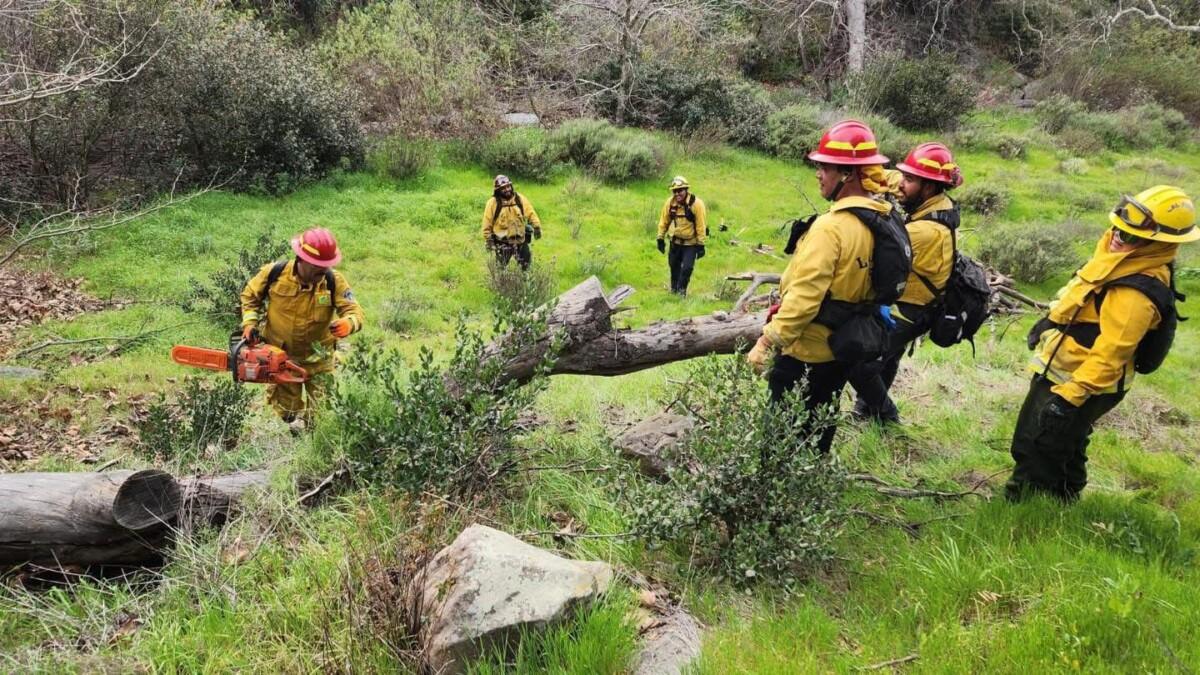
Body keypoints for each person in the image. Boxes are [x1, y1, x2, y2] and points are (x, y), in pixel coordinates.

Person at [1006, 185, 1197, 502]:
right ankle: (1066, 496)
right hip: (1067, 365)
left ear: (1159, 242)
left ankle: (1027, 503)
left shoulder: (1135, 294)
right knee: (1069, 437)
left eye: (1130, 236)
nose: (1118, 237)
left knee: (1038, 441)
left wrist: (1068, 399)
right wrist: (1053, 319)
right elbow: (1083, 287)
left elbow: (1110, 356)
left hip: (1084, 380)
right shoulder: (1117, 256)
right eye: (1118, 228)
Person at [746, 120, 899, 454]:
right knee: (819, 429)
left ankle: (774, 499)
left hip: (806, 351)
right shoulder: (880, 219)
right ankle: (812, 490)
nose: (818, 173)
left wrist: (766, 341)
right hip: (843, 347)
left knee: (779, 441)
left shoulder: (831, 228)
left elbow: (804, 299)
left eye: (825, 167)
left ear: (848, 174)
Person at [848, 142, 963, 424]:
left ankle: (886, 415)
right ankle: (868, 412)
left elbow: (879, 253)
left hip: (912, 309)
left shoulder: (926, 231)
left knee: (859, 361)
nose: (901, 185)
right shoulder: (933, 199)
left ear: (929, 187)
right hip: (913, 301)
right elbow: (893, 178)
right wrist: (863, 166)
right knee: (887, 358)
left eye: (910, 180)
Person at [239, 227, 364, 426]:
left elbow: (355, 312)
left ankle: (315, 443)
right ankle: (294, 435)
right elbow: (250, 296)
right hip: (282, 359)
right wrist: (249, 323)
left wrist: (349, 323)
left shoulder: (333, 281)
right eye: (318, 269)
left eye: (325, 268)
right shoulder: (274, 273)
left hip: (319, 359)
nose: (322, 274)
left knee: (322, 414)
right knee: (287, 412)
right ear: (302, 259)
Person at [656, 176, 707, 296]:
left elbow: (701, 225)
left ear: (686, 190)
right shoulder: (670, 203)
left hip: (691, 244)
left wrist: (701, 244)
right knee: (674, 267)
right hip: (675, 242)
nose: (677, 193)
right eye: (675, 191)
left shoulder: (697, 204)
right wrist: (660, 238)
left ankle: (682, 291)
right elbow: (664, 221)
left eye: (680, 191)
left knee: (687, 269)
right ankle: (674, 291)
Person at [482, 174, 541, 270]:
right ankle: (501, 284)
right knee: (500, 270)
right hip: (502, 243)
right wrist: (489, 240)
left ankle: (526, 283)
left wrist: (537, 226)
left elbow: (530, 212)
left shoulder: (519, 199)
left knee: (527, 268)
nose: (507, 189)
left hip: (520, 241)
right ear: (498, 190)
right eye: (503, 188)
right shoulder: (492, 203)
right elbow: (487, 222)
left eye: (508, 186)